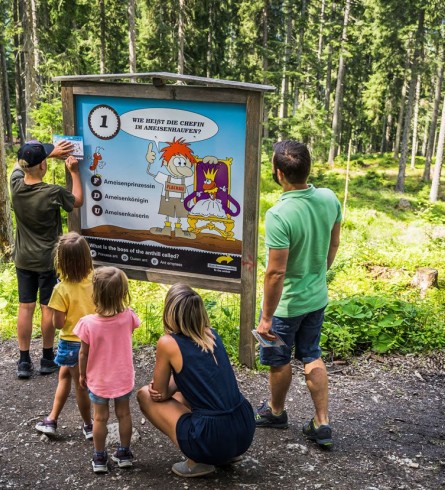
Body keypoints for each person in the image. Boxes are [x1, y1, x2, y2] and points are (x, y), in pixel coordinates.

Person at [254, 140, 341, 449]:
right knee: (311, 354)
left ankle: (276, 412)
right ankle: (322, 422)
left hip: (287, 305)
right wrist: (319, 272)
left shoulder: (279, 214)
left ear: (279, 174)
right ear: (308, 168)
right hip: (317, 297)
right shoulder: (330, 198)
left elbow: (276, 273)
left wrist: (266, 317)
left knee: (279, 360)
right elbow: (333, 244)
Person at [137, 284, 255, 478]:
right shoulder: (211, 334)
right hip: (243, 428)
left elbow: (157, 393)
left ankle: (198, 461)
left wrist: (167, 391)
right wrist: (172, 389)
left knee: (144, 395)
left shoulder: (168, 343)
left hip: (211, 438)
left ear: (170, 312)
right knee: (186, 394)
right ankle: (226, 455)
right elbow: (200, 377)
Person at [10, 139, 82, 379]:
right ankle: (47, 357)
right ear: (42, 166)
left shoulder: (16, 186)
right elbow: (77, 201)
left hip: (23, 259)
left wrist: (45, 156)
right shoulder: (53, 192)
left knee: (25, 306)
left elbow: (19, 166)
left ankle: (23, 360)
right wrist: (73, 172)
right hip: (47, 261)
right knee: (46, 307)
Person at [73, 267, 140, 473]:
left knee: (100, 418)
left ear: (96, 293)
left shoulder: (88, 324)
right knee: (124, 414)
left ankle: (100, 458)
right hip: (123, 377)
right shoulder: (128, 317)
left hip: (99, 379)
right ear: (122, 293)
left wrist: (83, 374)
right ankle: (124, 453)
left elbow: (83, 354)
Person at [34, 232, 94, 439]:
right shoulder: (96, 281)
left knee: (78, 385)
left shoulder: (60, 289)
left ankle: (88, 425)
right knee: (65, 377)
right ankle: (52, 419)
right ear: (87, 257)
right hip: (93, 342)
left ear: (60, 261)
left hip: (71, 343)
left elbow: (58, 324)